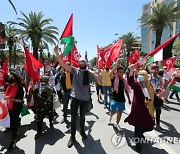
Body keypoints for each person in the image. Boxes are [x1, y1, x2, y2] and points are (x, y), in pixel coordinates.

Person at [54, 46, 101, 148]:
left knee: (83, 117)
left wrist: (95, 75)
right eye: (81, 62)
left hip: (85, 100)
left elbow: (99, 83)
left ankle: (82, 132)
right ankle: (72, 137)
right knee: (74, 118)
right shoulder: (75, 71)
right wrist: (57, 53)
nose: (82, 63)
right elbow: (62, 64)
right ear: (78, 63)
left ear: (86, 63)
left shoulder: (89, 73)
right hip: (75, 98)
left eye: (84, 62)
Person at [124, 64, 155, 153]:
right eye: (140, 74)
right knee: (138, 127)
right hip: (137, 110)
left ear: (146, 76)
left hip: (147, 110)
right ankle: (138, 145)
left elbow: (153, 96)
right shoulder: (137, 84)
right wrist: (130, 71)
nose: (141, 76)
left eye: (143, 74)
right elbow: (130, 82)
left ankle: (141, 133)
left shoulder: (150, 85)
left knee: (150, 127)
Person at [4, 72, 24, 150]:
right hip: (8, 107)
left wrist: (11, 99)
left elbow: (20, 100)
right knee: (11, 121)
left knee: (14, 122)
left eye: (12, 84)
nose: (11, 85)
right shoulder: (8, 86)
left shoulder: (19, 88)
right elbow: (6, 94)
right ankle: (13, 126)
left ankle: (13, 140)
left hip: (16, 107)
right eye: (10, 83)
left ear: (15, 81)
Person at [108, 65, 131, 131]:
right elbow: (110, 74)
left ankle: (117, 124)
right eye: (120, 72)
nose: (121, 73)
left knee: (120, 112)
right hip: (114, 98)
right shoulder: (114, 79)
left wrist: (129, 99)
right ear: (117, 72)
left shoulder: (124, 80)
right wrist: (115, 66)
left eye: (122, 72)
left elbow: (126, 90)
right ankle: (110, 117)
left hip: (121, 99)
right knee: (113, 111)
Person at [33, 76, 55, 140]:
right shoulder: (38, 88)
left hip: (48, 105)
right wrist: (34, 91)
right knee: (39, 119)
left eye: (43, 81)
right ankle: (39, 131)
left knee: (50, 115)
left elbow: (52, 95)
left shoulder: (50, 87)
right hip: (41, 106)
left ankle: (51, 123)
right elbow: (36, 97)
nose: (42, 82)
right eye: (41, 81)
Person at [150, 65, 166, 133]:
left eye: (157, 69)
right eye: (155, 69)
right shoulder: (149, 77)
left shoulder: (160, 78)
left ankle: (158, 125)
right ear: (152, 70)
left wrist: (161, 92)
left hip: (158, 96)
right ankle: (151, 123)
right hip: (150, 96)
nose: (156, 71)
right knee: (151, 111)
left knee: (158, 111)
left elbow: (162, 87)